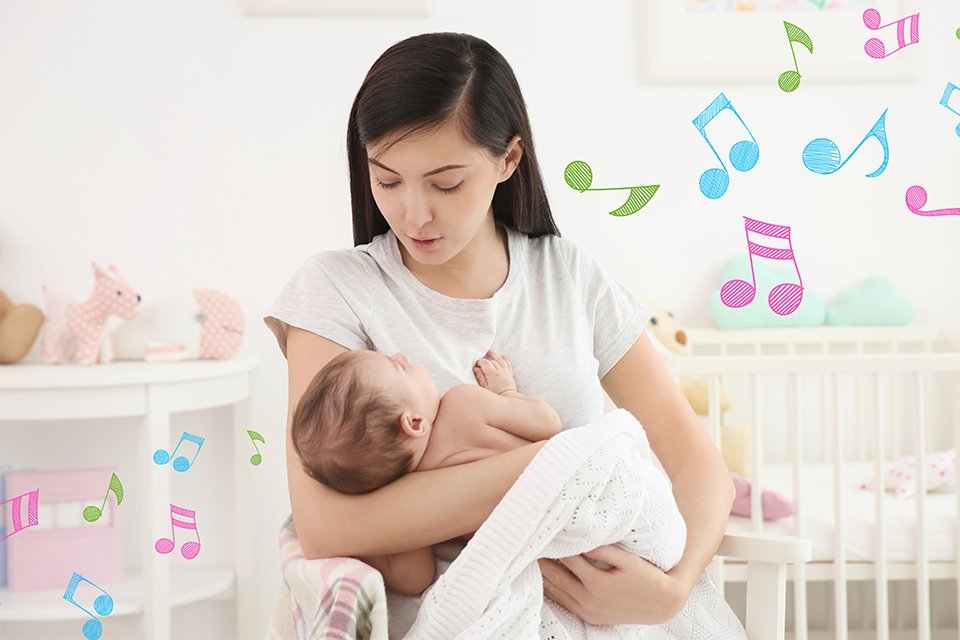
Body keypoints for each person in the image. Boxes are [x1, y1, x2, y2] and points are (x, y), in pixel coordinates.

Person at [264, 31, 734, 636]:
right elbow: (327, 523)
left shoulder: (569, 275)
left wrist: (671, 590)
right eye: (387, 180)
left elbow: (695, 460)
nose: (414, 214)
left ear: (508, 160)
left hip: (622, 618)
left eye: (446, 184)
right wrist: (554, 468)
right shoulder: (334, 290)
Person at [290, 348, 561, 594]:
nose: (402, 356)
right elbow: (549, 424)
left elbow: (414, 579)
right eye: (401, 368)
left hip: (544, 552)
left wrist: (369, 539)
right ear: (414, 422)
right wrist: (505, 391)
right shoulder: (464, 404)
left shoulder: (408, 504)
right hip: (563, 500)